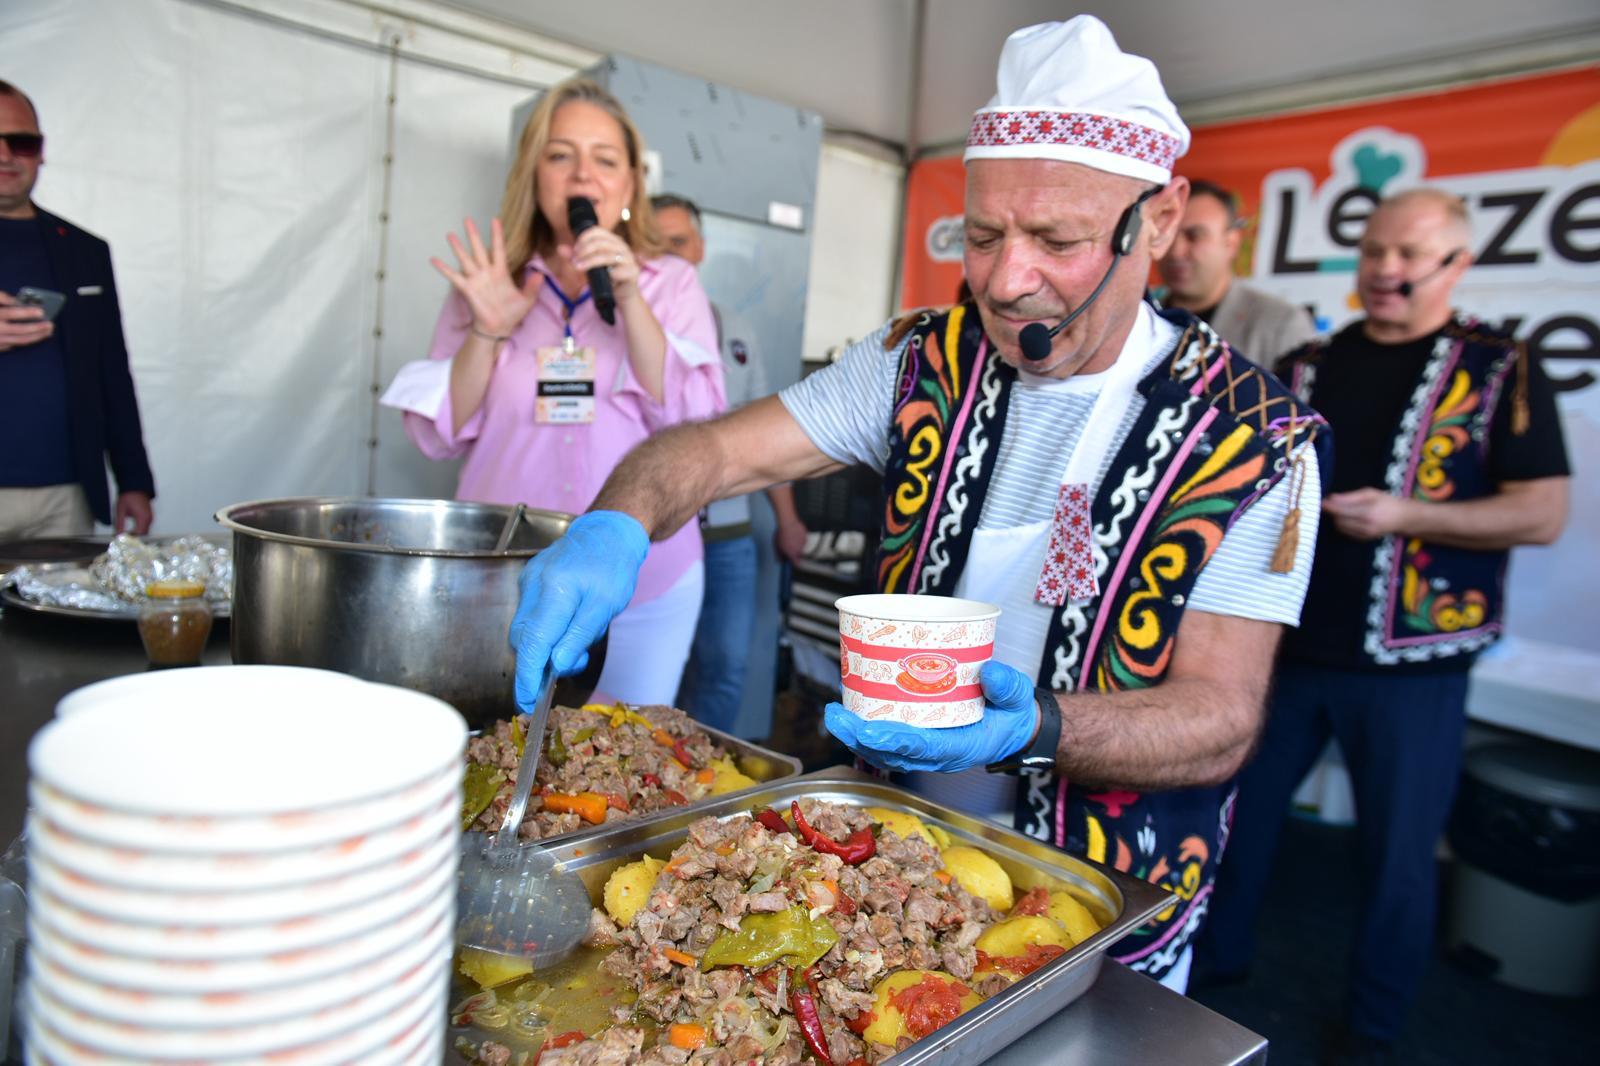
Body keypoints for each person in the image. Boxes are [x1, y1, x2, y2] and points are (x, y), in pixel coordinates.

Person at [507, 17, 1330, 993]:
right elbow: (710, 450)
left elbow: (1221, 718)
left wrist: (1041, 727)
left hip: (1095, 908)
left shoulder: (1252, 440)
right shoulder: (917, 362)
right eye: (982, 235)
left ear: (1157, 218)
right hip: (881, 872)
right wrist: (617, 522)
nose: (1005, 278)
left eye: (1056, 240)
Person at [1199, 188, 1570, 1062]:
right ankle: (1212, 974)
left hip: (1417, 667)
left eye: (1411, 257)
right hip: (1284, 655)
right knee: (1234, 827)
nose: (1388, 272)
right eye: (1374, 253)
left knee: (1397, 859)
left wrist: (1407, 516)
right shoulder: (1305, 363)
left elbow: (1541, 512)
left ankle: (1374, 1027)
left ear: (1456, 265)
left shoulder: (1499, 366)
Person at [383, 78, 724, 706]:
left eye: (605, 159)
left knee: (625, 764)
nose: (583, 175)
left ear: (629, 185)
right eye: (561, 154)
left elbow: (698, 420)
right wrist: (488, 329)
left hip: (646, 577)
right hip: (506, 577)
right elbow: (434, 435)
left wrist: (629, 298)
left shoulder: (669, 282)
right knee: (502, 753)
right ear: (532, 173)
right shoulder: (492, 280)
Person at [651, 193, 810, 734]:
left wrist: (787, 519)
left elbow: (764, 434)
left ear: (698, 248)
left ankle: (700, 790)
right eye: (654, 243)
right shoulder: (624, 330)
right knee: (651, 675)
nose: (668, 254)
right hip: (653, 535)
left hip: (726, 536)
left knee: (724, 667)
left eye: (677, 241)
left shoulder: (735, 329)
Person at [0, 80, 154, 540]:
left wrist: (134, 480)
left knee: (55, 614)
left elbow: (112, 372)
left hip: (66, 498)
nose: (7, 155)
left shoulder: (86, 250)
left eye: (21, 142)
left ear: (41, 150)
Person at [1158, 179, 1317, 367]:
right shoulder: (1142, 317)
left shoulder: (1281, 323)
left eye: (1195, 236)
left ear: (1231, 243)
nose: (1176, 251)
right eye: (1167, 234)